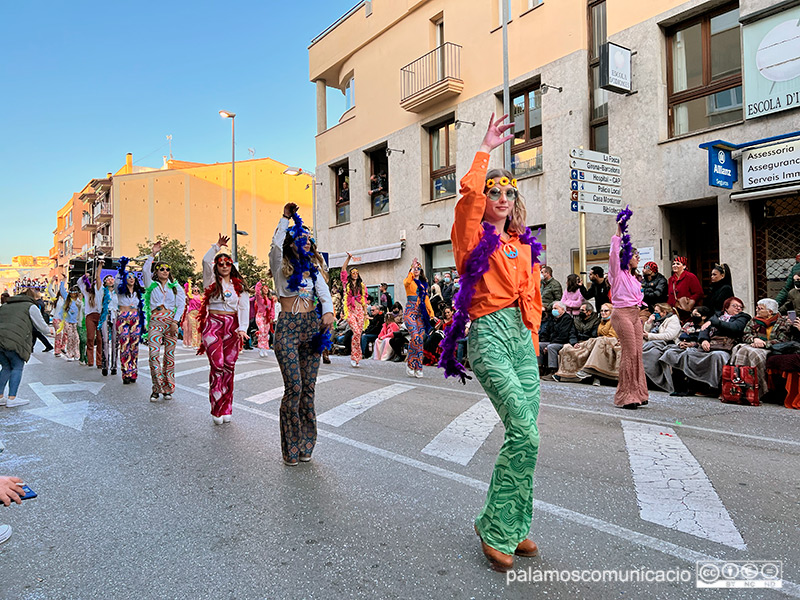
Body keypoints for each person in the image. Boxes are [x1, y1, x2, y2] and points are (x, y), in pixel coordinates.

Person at [440, 113, 543, 572]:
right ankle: (497, 532)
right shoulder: (472, 239)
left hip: (523, 340)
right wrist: (484, 149)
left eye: (508, 192)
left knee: (527, 436)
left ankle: (509, 523)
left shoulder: (525, 247)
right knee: (524, 429)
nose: (501, 198)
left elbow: (534, 301)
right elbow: (467, 199)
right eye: (494, 192)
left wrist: (533, 344)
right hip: (489, 336)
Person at [270, 202, 334, 465]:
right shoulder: (280, 267)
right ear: (291, 242)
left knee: (308, 389)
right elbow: (275, 247)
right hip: (287, 328)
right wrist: (286, 218)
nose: (307, 241)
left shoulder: (313, 270)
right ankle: (291, 446)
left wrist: (328, 312)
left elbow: (324, 294)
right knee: (294, 388)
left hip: (311, 328)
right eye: (301, 237)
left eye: (309, 239)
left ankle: (307, 443)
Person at [197, 235, 250, 425]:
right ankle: (216, 407)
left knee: (229, 367)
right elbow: (205, 261)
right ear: (217, 266)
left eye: (228, 263)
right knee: (217, 365)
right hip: (213, 325)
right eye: (221, 263)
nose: (224, 266)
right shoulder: (211, 281)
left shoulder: (239, 287)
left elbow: (244, 308)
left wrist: (242, 328)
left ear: (232, 266)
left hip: (232, 327)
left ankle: (227, 407)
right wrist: (217, 247)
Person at [660, 302, 749, 396]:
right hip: (709, 345)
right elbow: (704, 330)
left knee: (717, 356)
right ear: (726, 307)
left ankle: (714, 388)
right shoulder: (717, 316)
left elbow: (734, 327)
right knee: (687, 354)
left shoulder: (742, 318)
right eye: (735, 306)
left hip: (725, 347)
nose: (738, 308)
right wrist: (703, 340)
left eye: (740, 307)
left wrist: (713, 322)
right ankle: (689, 387)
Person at [609, 214, 648, 409]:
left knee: (638, 353)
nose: (638, 258)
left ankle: (639, 393)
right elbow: (613, 254)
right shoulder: (617, 274)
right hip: (621, 314)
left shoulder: (634, 278)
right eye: (635, 255)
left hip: (635, 314)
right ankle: (626, 396)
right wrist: (619, 231)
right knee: (629, 352)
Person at [143, 241, 186, 402]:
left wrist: (175, 322)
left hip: (171, 322)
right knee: (153, 355)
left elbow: (181, 305)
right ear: (156, 271)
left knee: (169, 357)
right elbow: (145, 270)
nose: (165, 271)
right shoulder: (151, 285)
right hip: (155, 321)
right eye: (162, 269)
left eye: (168, 269)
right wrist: (152, 254)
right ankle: (156, 387)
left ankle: (168, 388)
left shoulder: (175, 287)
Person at [729, 298, 791, 400]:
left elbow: (783, 340)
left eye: (760, 309)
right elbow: (746, 335)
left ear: (770, 312)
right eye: (757, 308)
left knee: (755, 354)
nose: (757, 310)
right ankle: (739, 386)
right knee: (741, 350)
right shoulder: (754, 320)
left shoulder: (782, 322)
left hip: (771, 348)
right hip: (754, 345)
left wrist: (764, 343)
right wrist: (754, 339)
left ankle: (758, 388)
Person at [0, 288, 50, 408]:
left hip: (0, 340)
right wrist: (50, 331)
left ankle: (0, 397)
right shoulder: (31, 306)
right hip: (16, 341)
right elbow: (42, 327)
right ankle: (12, 398)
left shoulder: (5, 305)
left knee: (5, 367)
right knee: (17, 367)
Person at [555, 303, 618, 384]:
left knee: (598, 342)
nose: (603, 313)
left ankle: (588, 370)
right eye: (601, 311)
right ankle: (564, 375)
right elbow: (572, 333)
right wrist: (574, 343)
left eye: (606, 311)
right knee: (567, 347)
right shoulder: (602, 321)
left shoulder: (613, 321)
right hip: (591, 341)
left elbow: (611, 336)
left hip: (606, 342)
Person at [403, 257, 435, 378]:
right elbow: (406, 282)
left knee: (419, 341)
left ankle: (418, 366)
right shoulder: (408, 281)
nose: (416, 270)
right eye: (414, 268)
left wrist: (431, 313)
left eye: (418, 268)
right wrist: (412, 269)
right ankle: (411, 364)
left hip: (420, 315)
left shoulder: (423, 285)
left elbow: (426, 299)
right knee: (415, 337)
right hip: (410, 313)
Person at [641, 303, 682, 392]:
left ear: (664, 312)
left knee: (652, 353)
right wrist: (649, 322)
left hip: (667, 344)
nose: (654, 313)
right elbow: (646, 332)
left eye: (657, 311)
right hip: (655, 342)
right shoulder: (657, 320)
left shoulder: (673, 320)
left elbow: (669, 336)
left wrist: (650, 335)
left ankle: (658, 381)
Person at [115, 258, 144, 384]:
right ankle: (126, 372)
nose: (131, 279)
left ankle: (134, 372)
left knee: (134, 346)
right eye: (129, 277)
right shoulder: (120, 291)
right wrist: (122, 267)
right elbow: (117, 280)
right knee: (124, 344)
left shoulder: (138, 293)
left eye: (133, 277)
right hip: (123, 316)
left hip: (135, 317)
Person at [340, 253, 368, 367]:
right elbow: (343, 269)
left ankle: (357, 357)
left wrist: (365, 313)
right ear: (350, 275)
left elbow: (364, 300)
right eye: (353, 273)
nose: (355, 274)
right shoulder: (346, 284)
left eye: (357, 273)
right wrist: (349, 258)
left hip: (360, 310)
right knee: (356, 332)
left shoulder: (362, 286)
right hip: (350, 311)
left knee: (358, 334)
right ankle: (354, 356)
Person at [539, 304, 578, 379]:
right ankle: (540, 369)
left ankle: (553, 370)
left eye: (556, 308)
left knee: (551, 347)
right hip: (552, 341)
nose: (553, 310)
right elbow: (547, 332)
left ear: (562, 310)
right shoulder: (553, 319)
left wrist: (549, 344)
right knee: (539, 345)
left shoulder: (567, 319)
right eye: (553, 308)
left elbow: (563, 336)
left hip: (563, 342)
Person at [77, 263, 104, 368]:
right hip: (90, 316)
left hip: (100, 316)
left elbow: (98, 276)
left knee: (100, 340)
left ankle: (99, 361)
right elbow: (79, 283)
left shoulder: (100, 291)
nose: (95, 285)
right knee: (90, 338)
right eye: (93, 284)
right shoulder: (87, 293)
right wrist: (84, 277)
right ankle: (90, 360)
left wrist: (100, 265)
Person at [667, 256, 704, 322]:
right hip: (674, 312)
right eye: (673, 264)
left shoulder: (690, 277)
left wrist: (688, 302)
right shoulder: (671, 279)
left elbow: (699, 293)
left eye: (678, 264)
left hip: (687, 313)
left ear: (684, 266)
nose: (675, 265)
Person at [98, 266, 119, 377]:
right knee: (105, 341)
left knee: (115, 341)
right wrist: (100, 267)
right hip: (105, 315)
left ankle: (114, 366)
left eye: (112, 279)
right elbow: (97, 279)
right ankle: (105, 366)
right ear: (105, 282)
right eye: (108, 279)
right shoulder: (101, 291)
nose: (111, 280)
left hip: (115, 315)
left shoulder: (117, 292)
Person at [58, 283, 82, 362]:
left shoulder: (79, 300)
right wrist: (63, 281)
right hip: (68, 321)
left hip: (76, 322)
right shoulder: (67, 299)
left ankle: (76, 353)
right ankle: (70, 353)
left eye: (74, 292)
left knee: (77, 338)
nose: (73, 294)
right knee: (70, 337)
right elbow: (62, 290)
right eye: (71, 292)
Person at [254, 281, 275, 357]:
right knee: (262, 331)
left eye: (267, 289)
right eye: (264, 289)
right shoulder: (259, 298)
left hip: (267, 318)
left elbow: (272, 309)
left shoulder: (270, 299)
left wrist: (272, 317)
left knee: (266, 333)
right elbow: (257, 292)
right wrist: (259, 283)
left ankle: (264, 348)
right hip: (260, 316)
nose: (265, 290)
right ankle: (260, 347)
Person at [181, 281, 202, 349]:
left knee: (199, 329)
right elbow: (187, 290)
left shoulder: (201, 297)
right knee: (194, 328)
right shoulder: (191, 296)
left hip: (199, 313)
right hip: (192, 313)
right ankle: (194, 344)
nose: (196, 291)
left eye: (197, 290)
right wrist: (189, 283)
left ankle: (198, 344)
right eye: (195, 290)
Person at [49, 276, 66, 357]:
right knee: (59, 334)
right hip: (56, 319)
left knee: (65, 334)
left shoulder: (67, 299)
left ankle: (62, 347)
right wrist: (52, 281)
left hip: (65, 319)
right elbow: (49, 290)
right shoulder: (56, 299)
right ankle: (57, 350)